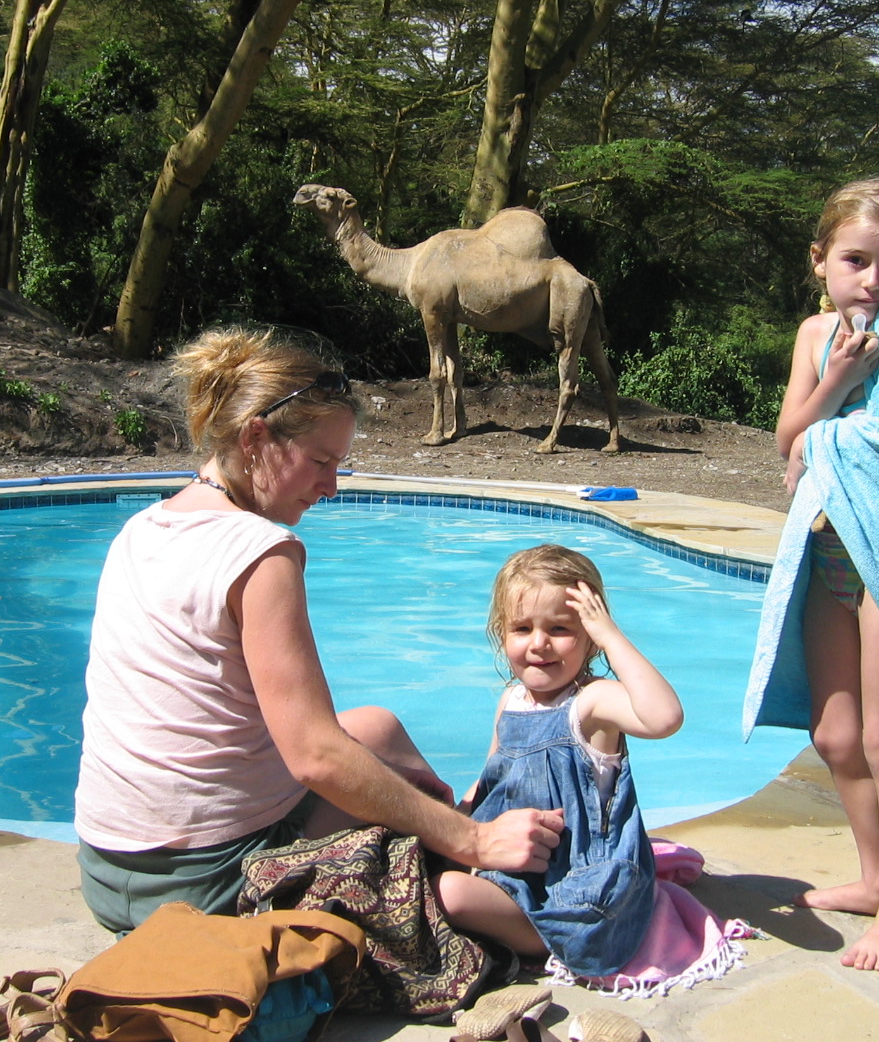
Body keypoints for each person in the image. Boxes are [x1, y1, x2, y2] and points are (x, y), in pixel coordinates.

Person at [73, 325, 564, 934]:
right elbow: (315, 757)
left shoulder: (143, 528)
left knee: (377, 728)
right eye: (321, 462)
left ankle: (464, 831)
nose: (331, 487)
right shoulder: (260, 552)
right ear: (256, 437)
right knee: (412, 827)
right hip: (206, 883)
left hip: (107, 869)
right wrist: (473, 841)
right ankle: (483, 856)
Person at [742, 178, 879, 971]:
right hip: (827, 548)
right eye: (857, 261)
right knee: (834, 734)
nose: (874, 281)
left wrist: (822, 438)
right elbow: (787, 436)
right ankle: (873, 879)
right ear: (820, 260)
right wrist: (833, 381)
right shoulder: (812, 334)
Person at [435, 544, 685, 980]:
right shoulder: (511, 700)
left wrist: (611, 636)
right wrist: (455, 826)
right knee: (419, 860)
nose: (539, 644)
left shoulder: (591, 703)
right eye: (522, 628)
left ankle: (545, 938)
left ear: (589, 637)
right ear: (501, 633)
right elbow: (493, 780)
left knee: (448, 893)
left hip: (573, 890)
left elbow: (664, 718)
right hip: (510, 862)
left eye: (560, 628)